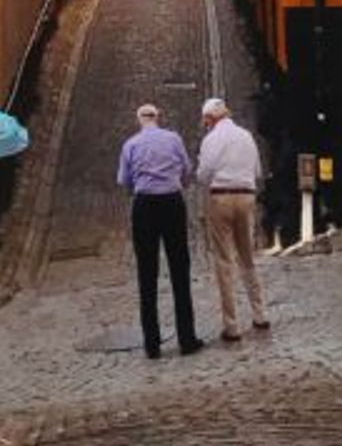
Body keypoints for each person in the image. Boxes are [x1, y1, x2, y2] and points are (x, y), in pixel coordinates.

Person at [115, 101, 203, 358]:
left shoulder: (130, 145)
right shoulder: (173, 139)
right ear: (158, 117)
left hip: (144, 207)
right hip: (172, 203)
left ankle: (152, 345)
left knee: (147, 274)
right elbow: (187, 170)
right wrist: (176, 182)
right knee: (179, 269)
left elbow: (124, 180)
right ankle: (186, 339)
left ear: (139, 120)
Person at [195, 94, 269, 339]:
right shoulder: (246, 136)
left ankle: (232, 325)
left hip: (222, 198)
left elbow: (204, 174)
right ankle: (260, 314)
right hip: (247, 196)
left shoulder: (212, 139)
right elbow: (257, 170)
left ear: (209, 119)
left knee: (224, 260)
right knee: (247, 256)